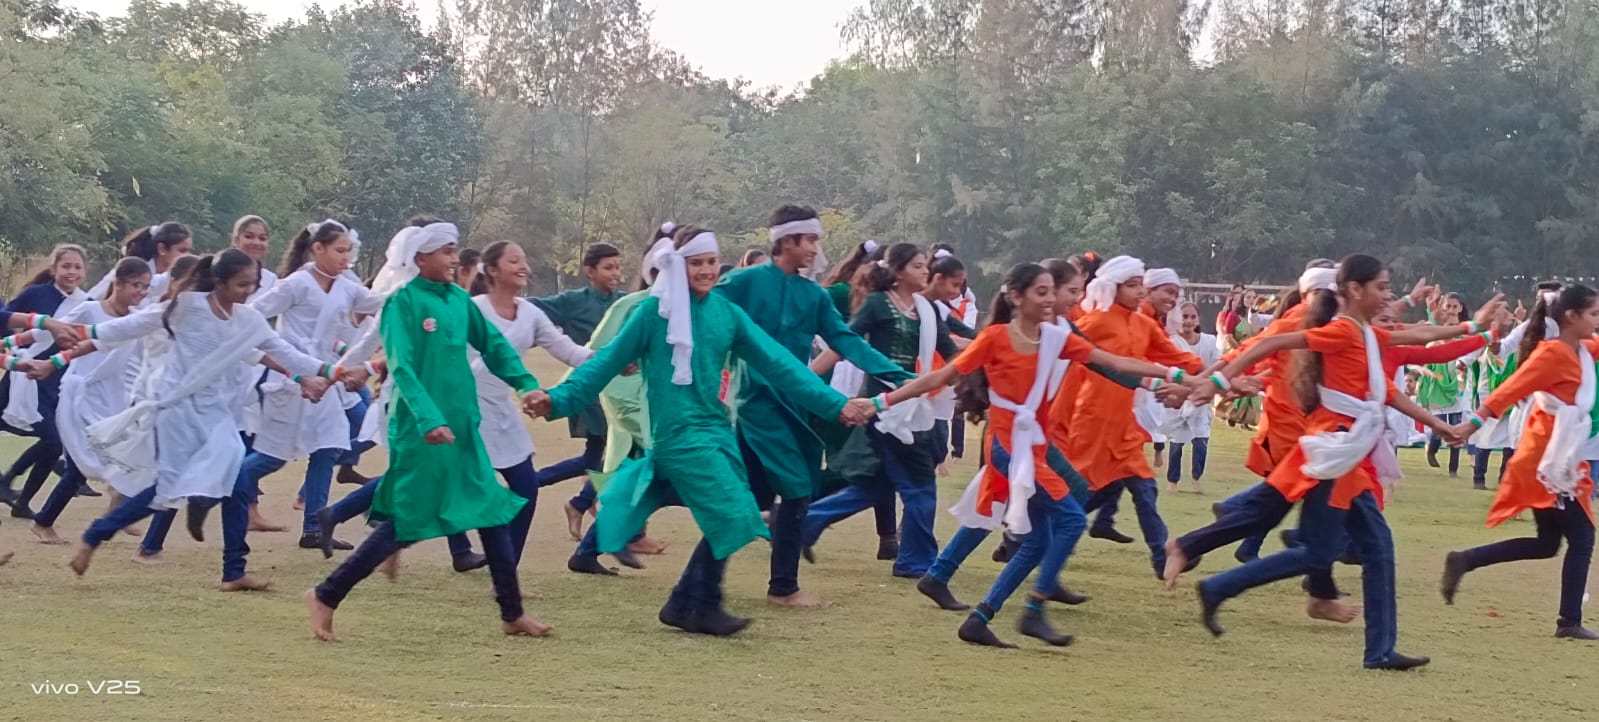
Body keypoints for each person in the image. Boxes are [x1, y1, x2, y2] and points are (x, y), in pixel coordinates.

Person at [528, 225, 877, 635]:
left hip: (716, 428)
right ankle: (699, 604)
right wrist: (556, 399)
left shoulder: (726, 313)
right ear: (679, 266)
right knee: (733, 513)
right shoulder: (652, 315)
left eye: (712, 262)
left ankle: (683, 602)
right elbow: (604, 364)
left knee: (737, 511)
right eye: (697, 263)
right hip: (677, 433)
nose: (708, 271)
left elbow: (781, 365)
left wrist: (835, 404)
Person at [1186, 253, 1501, 671]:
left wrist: (1475, 329)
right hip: (1336, 451)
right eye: (1382, 287)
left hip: (1349, 452)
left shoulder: (1367, 335)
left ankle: (1379, 650)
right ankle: (1220, 586)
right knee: (1328, 552)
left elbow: (1419, 343)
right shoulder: (1342, 331)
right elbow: (1267, 344)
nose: (1388, 296)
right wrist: (1217, 382)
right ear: (1354, 289)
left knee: (1367, 549)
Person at [305, 223, 552, 641]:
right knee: (409, 519)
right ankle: (325, 595)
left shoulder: (458, 300)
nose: (455, 259)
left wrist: (526, 384)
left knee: (491, 510)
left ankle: (512, 613)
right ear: (420, 258)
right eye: (446, 252)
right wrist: (428, 419)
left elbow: (495, 347)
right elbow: (401, 367)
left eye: (455, 251)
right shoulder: (402, 303)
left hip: (463, 427)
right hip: (421, 430)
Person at [66, 249, 338, 591]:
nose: (248, 291)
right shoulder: (187, 306)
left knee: (237, 480)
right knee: (165, 490)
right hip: (176, 410)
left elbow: (285, 353)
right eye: (241, 284)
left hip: (217, 414)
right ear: (219, 281)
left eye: (253, 284)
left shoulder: (249, 321)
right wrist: (80, 331)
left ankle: (233, 570)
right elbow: (132, 325)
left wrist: (332, 371)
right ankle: (95, 535)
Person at [911, 260, 1167, 624]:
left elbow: (1110, 366)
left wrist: (1166, 381)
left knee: (1006, 503)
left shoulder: (1062, 330)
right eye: (1071, 291)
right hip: (1017, 434)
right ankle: (1031, 570)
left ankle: (951, 573)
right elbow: (1108, 364)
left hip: (1038, 436)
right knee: (1051, 501)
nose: (1076, 298)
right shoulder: (1036, 331)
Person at [715, 206, 910, 608]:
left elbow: (846, 339)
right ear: (786, 241)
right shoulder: (743, 282)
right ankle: (782, 587)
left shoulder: (813, 295)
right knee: (796, 488)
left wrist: (898, 375)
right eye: (810, 240)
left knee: (748, 498)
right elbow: (702, 314)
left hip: (799, 405)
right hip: (756, 404)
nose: (815, 249)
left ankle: (699, 585)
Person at [1440, 284, 1599, 641]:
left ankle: (1465, 560)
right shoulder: (1552, 354)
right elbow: (1510, 389)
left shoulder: (1582, 351)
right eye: (1594, 314)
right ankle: (1569, 622)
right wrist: (1471, 424)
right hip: (1549, 463)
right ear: (1571, 317)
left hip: (1558, 457)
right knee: (1583, 537)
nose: (1597, 321)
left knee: (1547, 544)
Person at [802, 243, 962, 580]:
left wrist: (985, 364)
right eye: (918, 266)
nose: (925, 272)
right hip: (881, 409)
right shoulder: (877, 303)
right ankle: (915, 561)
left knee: (875, 486)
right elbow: (844, 344)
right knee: (920, 485)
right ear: (898, 271)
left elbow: (951, 352)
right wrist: (802, 381)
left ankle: (803, 524)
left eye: (925, 266)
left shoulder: (926, 310)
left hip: (912, 403)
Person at [234, 220, 384, 551]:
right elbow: (251, 317)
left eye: (349, 251)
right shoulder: (296, 284)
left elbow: (381, 303)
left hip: (325, 381)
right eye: (340, 250)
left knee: (328, 449)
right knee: (272, 458)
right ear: (317, 248)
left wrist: (412, 283)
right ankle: (222, 483)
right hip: (291, 382)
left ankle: (314, 528)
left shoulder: (346, 288)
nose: (346, 258)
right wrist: (290, 368)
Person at [1064, 257, 1208, 578]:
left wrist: (1223, 375)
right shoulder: (1095, 321)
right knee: (1081, 492)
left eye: (1140, 285)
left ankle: (1160, 557)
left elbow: (1180, 359)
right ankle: (1027, 537)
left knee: (1144, 486)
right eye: (1132, 285)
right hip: (1091, 420)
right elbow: (1064, 357)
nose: (1139, 291)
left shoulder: (1145, 326)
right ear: (1112, 288)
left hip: (1124, 424)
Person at [28, 258, 153, 544]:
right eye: (136, 285)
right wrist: (13, 344)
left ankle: (114, 509)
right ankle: (45, 522)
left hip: (115, 397)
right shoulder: (91, 310)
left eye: (146, 287)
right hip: (80, 395)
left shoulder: (137, 319)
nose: (141, 292)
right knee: (79, 466)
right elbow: (50, 331)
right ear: (118, 283)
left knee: (127, 454)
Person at [533, 242, 626, 512]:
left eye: (617, 267)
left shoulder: (624, 303)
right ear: (590, 271)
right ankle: (578, 500)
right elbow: (530, 308)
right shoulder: (573, 301)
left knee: (596, 457)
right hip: (589, 392)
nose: (615, 273)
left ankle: (574, 498)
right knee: (617, 451)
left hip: (620, 392)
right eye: (608, 267)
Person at [0, 245, 90, 518]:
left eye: (77, 267)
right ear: (54, 269)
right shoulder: (36, 294)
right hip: (26, 378)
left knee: (54, 441)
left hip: (57, 381)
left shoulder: (86, 303)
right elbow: (6, 320)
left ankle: (19, 497)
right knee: (52, 440)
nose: (71, 272)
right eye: (66, 266)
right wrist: (12, 351)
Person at [1163, 301, 1219, 492]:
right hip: (1179, 399)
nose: (1188, 321)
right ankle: (1173, 481)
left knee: (1201, 440)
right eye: (1184, 316)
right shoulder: (1171, 342)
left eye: (1192, 317)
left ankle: (1197, 478)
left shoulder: (1209, 342)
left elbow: (1218, 365)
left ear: (1198, 319)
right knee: (1177, 443)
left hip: (1201, 400)